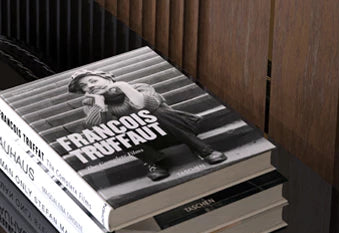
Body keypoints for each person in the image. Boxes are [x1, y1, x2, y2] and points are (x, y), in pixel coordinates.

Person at [67, 69, 226, 182]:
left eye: (93, 81)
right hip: (148, 142)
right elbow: (97, 127)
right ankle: (156, 162)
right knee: (110, 131)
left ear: (108, 79)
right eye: (84, 86)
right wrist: (99, 103)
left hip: (176, 128)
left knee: (158, 112)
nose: (90, 86)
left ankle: (203, 149)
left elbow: (148, 105)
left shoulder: (139, 87)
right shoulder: (91, 103)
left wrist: (123, 86)